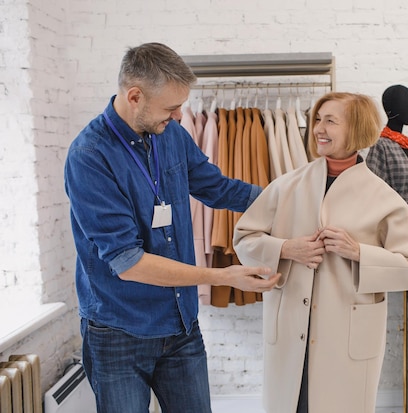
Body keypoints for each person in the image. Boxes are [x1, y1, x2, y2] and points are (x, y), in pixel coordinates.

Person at [64, 42, 280, 413]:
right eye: (170, 107)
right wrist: (224, 276)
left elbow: (218, 188)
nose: (180, 114)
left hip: (180, 327)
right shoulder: (89, 157)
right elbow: (130, 262)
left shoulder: (171, 134)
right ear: (135, 96)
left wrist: (289, 201)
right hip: (119, 333)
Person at [233, 92, 408, 413]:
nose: (319, 128)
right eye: (318, 119)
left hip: (346, 338)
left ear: (355, 128)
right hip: (291, 329)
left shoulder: (383, 198)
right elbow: (244, 240)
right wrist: (285, 248)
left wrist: (359, 253)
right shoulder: (286, 186)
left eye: (330, 121)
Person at [365, 84, 408, 413]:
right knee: (376, 318)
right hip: (393, 243)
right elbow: (371, 199)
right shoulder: (380, 147)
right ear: (391, 109)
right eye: (405, 103)